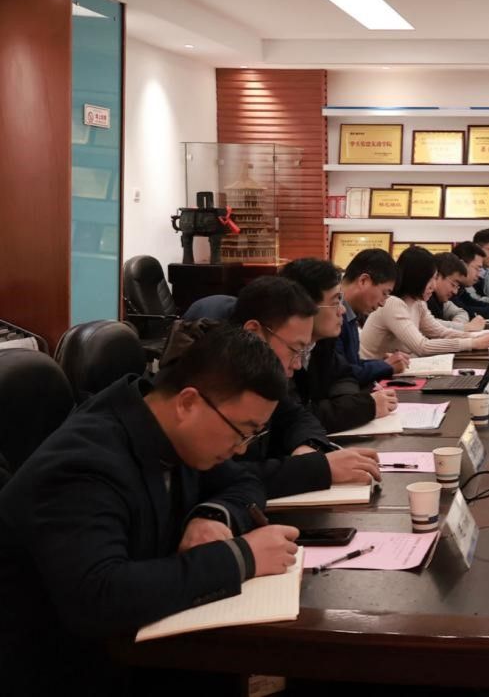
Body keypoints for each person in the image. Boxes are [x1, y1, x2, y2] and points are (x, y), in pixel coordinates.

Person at [0, 326, 301, 694]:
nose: (241, 448)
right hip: (64, 668)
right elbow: (99, 597)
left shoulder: (170, 428)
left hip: (142, 648)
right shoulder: (84, 463)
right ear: (188, 403)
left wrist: (211, 514)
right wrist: (242, 557)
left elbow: (244, 482)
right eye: (242, 431)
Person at [173, 277, 383, 497]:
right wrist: (314, 469)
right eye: (295, 349)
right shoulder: (207, 379)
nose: (298, 364)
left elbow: (295, 416)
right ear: (254, 331)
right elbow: (214, 479)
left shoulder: (257, 375)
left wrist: (307, 448)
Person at [281, 258, 397, 434]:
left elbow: (343, 375)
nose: (342, 310)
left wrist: (348, 404)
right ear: (304, 305)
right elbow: (295, 418)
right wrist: (363, 407)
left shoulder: (323, 340)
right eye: (336, 301)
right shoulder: (277, 351)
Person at [360, 246, 489, 358]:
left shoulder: (418, 303)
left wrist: (476, 337)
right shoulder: (392, 304)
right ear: (418, 278)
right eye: (431, 279)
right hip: (374, 378)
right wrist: (472, 342)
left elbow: (440, 332)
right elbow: (422, 347)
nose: (433, 286)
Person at [338, 248, 409, 385]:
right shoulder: (334, 314)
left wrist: (382, 364)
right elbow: (341, 375)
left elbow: (351, 364)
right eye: (384, 293)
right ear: (363, 281)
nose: (383, 303)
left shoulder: (351, 313)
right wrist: (385, 366)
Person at [427, 252, 483, 330]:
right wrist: (464, 327)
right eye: (453, 284)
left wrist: (457, 326)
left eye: (457, 286)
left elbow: (461, 312)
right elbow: (426, 323)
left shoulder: (441, 301)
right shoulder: (423, 298)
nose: (455, 292)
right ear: (437, 276)